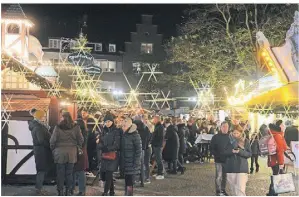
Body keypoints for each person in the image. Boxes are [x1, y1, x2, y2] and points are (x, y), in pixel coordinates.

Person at [50, 111, 84, 196]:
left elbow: (52, 140)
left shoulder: (57, 127)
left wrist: (53, 149)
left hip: (59, 152)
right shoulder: (76, 127)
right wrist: (77, 146)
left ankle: (60, 191)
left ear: (62, 117)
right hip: (72, 153)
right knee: (70, 173)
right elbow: (81, 139)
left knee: (60, 174)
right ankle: (69, 191)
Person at [28, 109, 52, 195]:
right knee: (41, 169)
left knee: (41, 169)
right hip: (41, 150)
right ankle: (39, 189)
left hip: (41, 150)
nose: (45, 118)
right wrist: (50, 145)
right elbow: (41, 140)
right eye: (43, 116)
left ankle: (39, 188)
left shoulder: (39, 126)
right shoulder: (38, 127)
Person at [223, 125, 252, 196]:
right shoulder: (228, 140)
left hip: (241, 168)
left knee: (241, 189)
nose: (236, 135)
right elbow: (224, 152)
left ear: (240, 133)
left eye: (237, 133)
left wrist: (240, 152)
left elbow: (249, 154)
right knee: (233, 190)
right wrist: (231, 151)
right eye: (234, 133)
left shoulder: (245, 141)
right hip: (230, 168)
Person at [97, 114, 121, 196]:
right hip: (105, 155)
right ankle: (112, 191)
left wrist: (107, 148)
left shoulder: (116, 131)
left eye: (108, 121)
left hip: (112, 155)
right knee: (105, 174)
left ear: (112, 121)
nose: (107, 123)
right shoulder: (104, 130)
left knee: (109, 174)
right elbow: (100, 141)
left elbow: (117, 145)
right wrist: (101, 146)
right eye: (105, 122)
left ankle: (105, 192)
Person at [120, 118, 142, 196]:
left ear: (129, 125)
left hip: (132, 163)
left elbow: (139, 151)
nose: (123, 127)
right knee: (127, 181)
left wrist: (136, 163)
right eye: (122, 126)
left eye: (124, 126)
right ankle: (127, 194)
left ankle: (129, 195)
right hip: (125, 162)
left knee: (129, 183)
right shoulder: (124, 134)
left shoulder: (135, 135)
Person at [267, 123, 288, 196]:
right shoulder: (278, 136)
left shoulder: (272, 135)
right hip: (277, 161)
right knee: (277, 177)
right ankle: (273, 193)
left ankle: (271, 192)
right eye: (282, 125)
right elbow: (280, 150)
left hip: (272, 160)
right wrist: (281, 163)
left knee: (275, 176)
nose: (283, 127)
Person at [210, 121, 230, 196]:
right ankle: (218, 191)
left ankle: (223, 190)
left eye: (227, 127)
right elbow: (211, 148)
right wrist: (216, 155)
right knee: (218, 176)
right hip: (218, 160)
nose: (225, 128)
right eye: (224, 126)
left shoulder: (230, 137)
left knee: (225, 176)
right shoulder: (215, 137)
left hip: (227, 160)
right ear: (220, 127)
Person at [133, 116, 151, 186]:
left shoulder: (134, 129)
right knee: (144, 164)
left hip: (136, 148)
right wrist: (146, 145)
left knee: (136, 165)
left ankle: (135, 180)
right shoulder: (145, 127)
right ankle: (144, 179)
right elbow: (149, 137)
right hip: (145, 148)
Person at [151, 115, 165, 180]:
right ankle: (159, 172)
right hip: (156, 145)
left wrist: (155, 142)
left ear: (157, 119)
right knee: (157, 159)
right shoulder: (158, 126)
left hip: (158, 145)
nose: (153, 120)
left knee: (159, 159)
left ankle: (161, 173)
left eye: (154, 119)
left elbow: (160, 137)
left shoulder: (160, 127)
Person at [142, 114, 153, 184]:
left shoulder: (150, 126)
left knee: (146, 163)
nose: (145, 120)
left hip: (148, 147)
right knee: (142, 163)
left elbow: (151, 137)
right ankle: (143, 177)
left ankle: (147, 178)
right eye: (144, 118)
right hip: (144, 147)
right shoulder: (142, 127)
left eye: (146, 118)